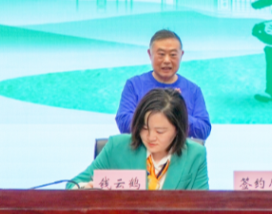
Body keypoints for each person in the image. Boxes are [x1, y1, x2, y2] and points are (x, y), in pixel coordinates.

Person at [70, 88, 208, 190]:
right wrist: (86, 189)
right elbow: (72, 185)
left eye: (160, 131)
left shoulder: (196, 154)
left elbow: (202, 206)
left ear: (177, 129)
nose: (151, 137)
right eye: (145, 128)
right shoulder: (116, 147)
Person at [116, 29, 211, 141]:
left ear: (181, 55)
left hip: (179, 150)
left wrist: (177, 113)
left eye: (173, 55)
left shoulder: (193, 90)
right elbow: (123, 123)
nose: (167, 60)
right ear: (150, 54)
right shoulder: (134, 85)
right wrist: (162, 111)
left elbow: (203, 130)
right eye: (161, 54)